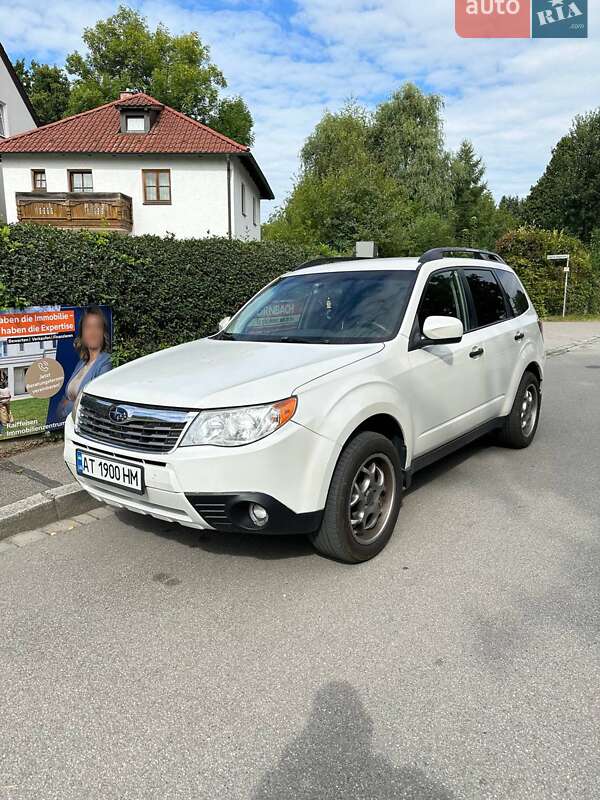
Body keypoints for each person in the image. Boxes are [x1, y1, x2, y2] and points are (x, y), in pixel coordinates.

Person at [57, 306, 112, 421]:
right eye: (88, 327)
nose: (92, 332)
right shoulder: (81, 363)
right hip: (71, 425)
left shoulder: (106, 362)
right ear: (82, 334)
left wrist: (66, 407)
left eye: (97, 327)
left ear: (103, 332)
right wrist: (71, 404)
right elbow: (62, 401)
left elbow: (93, 404)